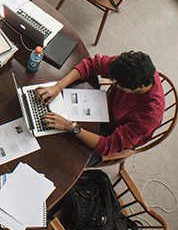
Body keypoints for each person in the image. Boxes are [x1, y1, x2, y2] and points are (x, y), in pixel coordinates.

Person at [36, 51, 165, 162]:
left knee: (63, 156)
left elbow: (108, 145)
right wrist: (58, 87)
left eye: (119, 85)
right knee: (51, 122)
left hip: (114, 134)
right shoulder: (129, 66)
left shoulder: (151, 114)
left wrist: (69, 126)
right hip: (107, 106)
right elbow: (92, 64)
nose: (115, 85)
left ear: (140, 87)